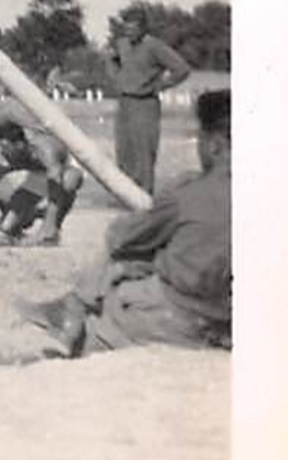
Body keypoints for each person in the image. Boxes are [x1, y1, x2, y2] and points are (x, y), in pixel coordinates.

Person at [18, 89, 231, 356]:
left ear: (214, 145)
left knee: (118, 260)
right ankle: (72, 309)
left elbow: (123, 236)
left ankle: (71, 314)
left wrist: (167, 199)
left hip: (176, 317)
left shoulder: (192, 193)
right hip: (227, 321)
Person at [0, 117, 84, 245]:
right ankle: (37, 214)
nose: (3, 152)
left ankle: (50, 231)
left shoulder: (44, 148)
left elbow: (55, 181)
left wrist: (47, 227)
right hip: (36, 177)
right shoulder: (5, 155)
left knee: (67, 181)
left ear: (19, 144)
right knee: (6, 227)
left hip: (66, 171)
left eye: (6, 148)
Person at [106, 7, 191, 194]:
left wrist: (161, 85)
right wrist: (116, 77)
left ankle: (143, 196)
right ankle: (125, 195)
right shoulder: (122, 44)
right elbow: (111, 59)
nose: (129, 33)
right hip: (124, 104)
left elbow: (182, 69)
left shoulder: (155, 46)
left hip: (145, 104)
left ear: (143, 28)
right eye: (126, 28)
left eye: (133, 28)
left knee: (144, 151)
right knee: (124, 151)